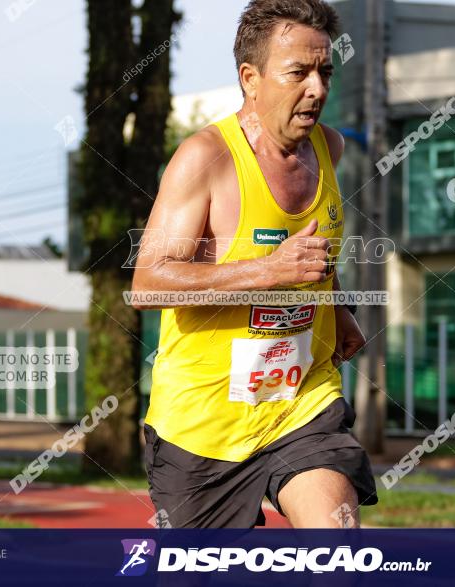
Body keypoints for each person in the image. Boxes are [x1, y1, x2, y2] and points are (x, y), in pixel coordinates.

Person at [132, 0, 377, 529]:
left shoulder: (327, 148)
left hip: (301, 403)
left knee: (338, 554)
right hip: (204, 426)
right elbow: (149, 283)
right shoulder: (205, 158)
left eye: (325, 72)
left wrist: (338, 312)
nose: (317, 89)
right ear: (251, 78)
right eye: (298, 73)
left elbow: (315, 253)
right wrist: (268, 270)